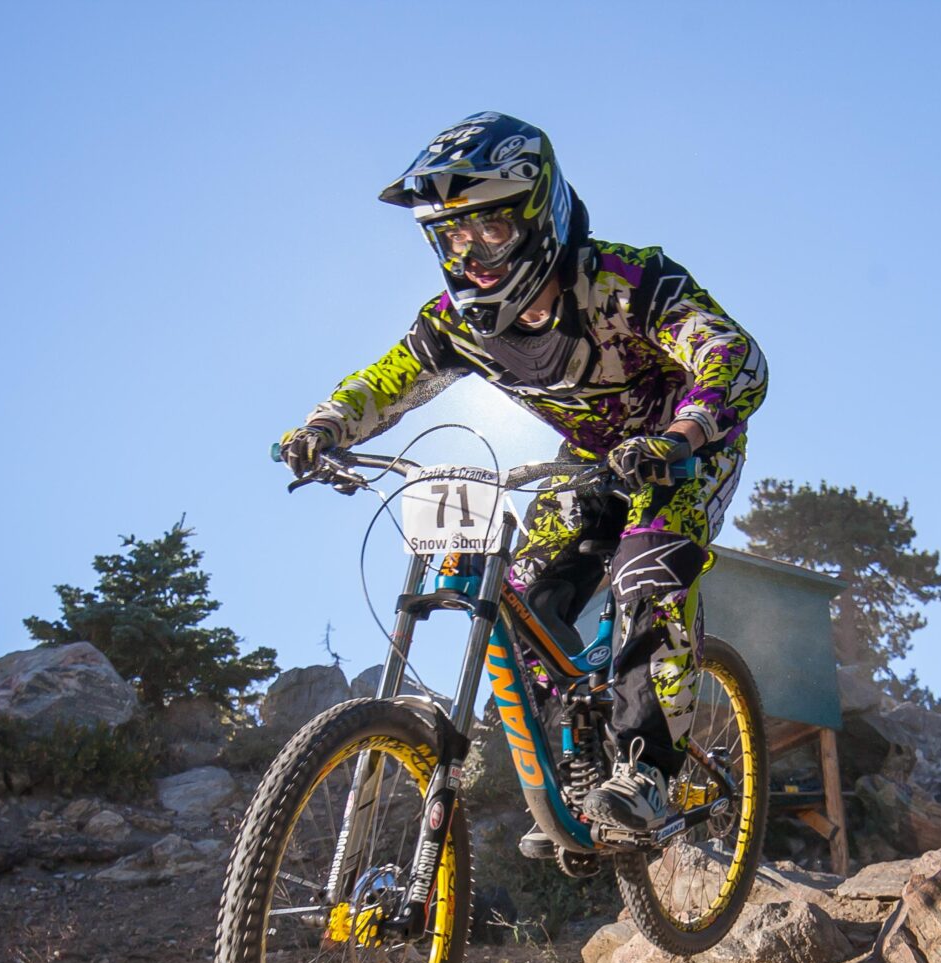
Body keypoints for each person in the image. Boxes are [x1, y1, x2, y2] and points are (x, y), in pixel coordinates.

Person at [275, 113, 767, 838]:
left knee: (646, 570)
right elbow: (388, 378)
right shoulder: (457, 324)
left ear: (540, 217)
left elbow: (732, 352)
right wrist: (322, 428)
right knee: (524, 599)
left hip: (685, 450)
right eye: (453, 237)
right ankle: (573, 768)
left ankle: (653, 770)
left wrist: (684, 432)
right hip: (591, 464)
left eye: (491, 231)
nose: (472, 255)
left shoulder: (629, 282)